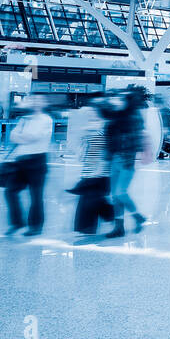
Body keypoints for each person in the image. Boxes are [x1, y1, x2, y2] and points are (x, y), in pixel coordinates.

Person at [3, 95, 53, 237]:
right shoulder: (24, 119)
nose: (35, 102)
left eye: (39, 100)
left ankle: (35, 226)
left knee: (36, 195)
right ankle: (17, 223)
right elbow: (12, 136)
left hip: (37, 161)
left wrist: (22, 137)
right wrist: (24, 137)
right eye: (33, 100)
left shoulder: (46, 119)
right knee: (10, 191)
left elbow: (34, 136)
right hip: (20, 160)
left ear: (44, 103)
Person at [103, 87, 147, 238]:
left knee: (120, 192)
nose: (118, 101)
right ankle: (119, 227)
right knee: (115, 196)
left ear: (129, 102)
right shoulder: (116, 115)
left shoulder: (133, 118)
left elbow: (135, 140)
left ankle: (137, 216)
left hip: (126, 159)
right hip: (114, 158)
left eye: (122, 99)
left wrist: (132, 158)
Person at [69, 98, 113, 237]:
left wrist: (97, 170)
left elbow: (104, 150)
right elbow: (84, 149)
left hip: (99, 171)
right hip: (90, 169)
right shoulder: (91, 127)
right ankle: (89, 227)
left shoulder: (105, 127)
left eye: (92, 111)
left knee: (91, 200)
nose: (90, 113)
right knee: (90, 199)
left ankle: (104, 219)